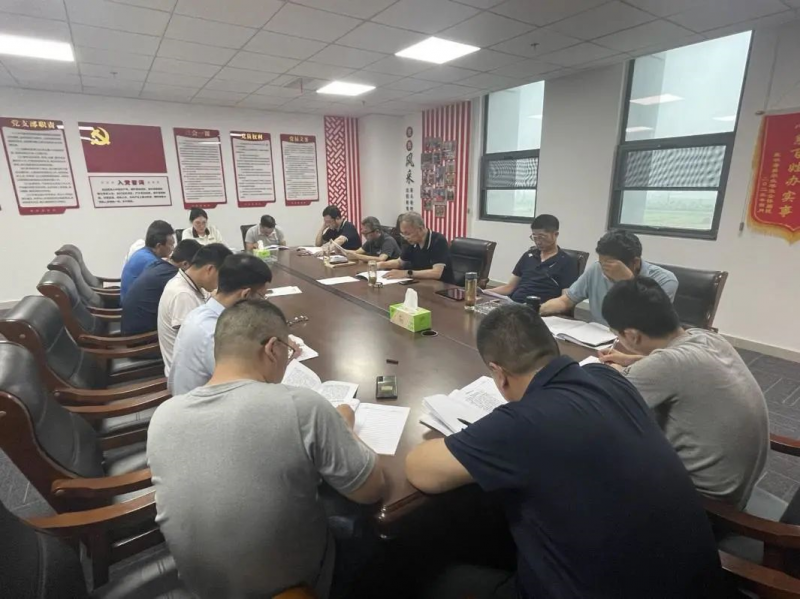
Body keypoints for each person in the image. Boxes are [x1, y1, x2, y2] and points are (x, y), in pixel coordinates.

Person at [406, 303, 722, 599]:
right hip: (699, 583)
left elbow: (420, 469)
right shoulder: (609, 378)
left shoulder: (522, 423)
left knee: (439, 579)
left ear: (498, 374)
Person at [147, 299, 385, 599]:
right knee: (375, 529)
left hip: (204, 589)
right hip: (294, 590)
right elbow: (372, 488)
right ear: (273, 348)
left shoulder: (163, 416)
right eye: (288, 350)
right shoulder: (301, 406)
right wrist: (344, 427)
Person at [599, 277, 769, 508]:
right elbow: (676, 366)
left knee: (595, 451)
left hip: (706, 507)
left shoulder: (665, 365)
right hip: (735, 485)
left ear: (632, 335)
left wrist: (619, 371)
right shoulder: (706, 337)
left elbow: (601, 403)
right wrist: (632, 360)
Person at [169, 254, 273, 395]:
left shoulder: (201, 312)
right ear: (246, 294)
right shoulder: (214, 334)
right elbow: (246, 385)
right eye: (261, 297)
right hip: (203, 404)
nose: (262, 303)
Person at [540, 229, 678, 325]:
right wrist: (536, 310)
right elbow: (566, 301)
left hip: (636, 345)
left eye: (611, 266)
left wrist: (629, 282)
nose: (604, 271)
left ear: (635, 262)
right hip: (597, 339)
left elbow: (649, 322)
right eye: (602, 264)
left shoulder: (665, 280)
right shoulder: (596, 269)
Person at [157, 243, 232, 376]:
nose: (221, 283)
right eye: (221, 276)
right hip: (187, 374)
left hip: (193, 362)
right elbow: (195, 343)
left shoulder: (190, 282)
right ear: (210, 269)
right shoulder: (183, 295)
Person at [489, 214, 579, 303]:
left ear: (555, 234)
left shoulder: (566, 262)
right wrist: (483, 292)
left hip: (540, 308)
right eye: (535, 237)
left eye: (542, 237)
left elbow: (565, 301)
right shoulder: (528, 256)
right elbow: (509, 287)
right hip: (514, 304)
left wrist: (543, 308)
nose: (538, 242)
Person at [121, 239, 201, 336]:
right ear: (185, 264)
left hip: (128, 325)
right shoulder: (174, 277)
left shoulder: (159, 265)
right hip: (139, 336)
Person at [379, 212, 454, 283]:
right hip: (421, 283)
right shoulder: (412, 242)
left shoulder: (438, 240)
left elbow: (436, 273)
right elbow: (400, 262)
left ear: (421, 229)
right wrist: (380, 265)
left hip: (442, 286)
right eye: (403, 234)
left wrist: (407, 273)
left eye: (407, 234)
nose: (405, 237)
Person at [120, 220, 175, 301]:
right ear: (159, 246)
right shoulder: (152, 263)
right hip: (137, 306)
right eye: (171, 245)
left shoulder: (141, 253)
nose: (173, 248)